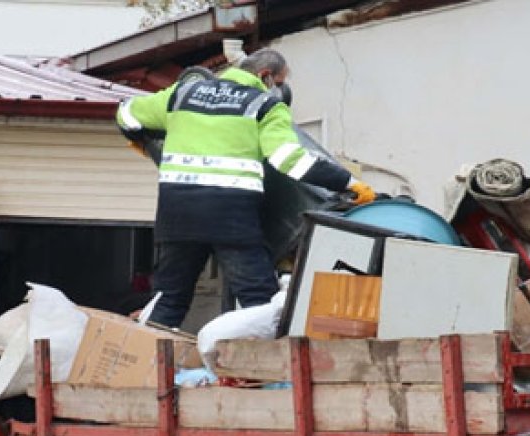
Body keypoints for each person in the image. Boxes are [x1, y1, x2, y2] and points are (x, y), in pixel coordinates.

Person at [116, 48, 376, 328]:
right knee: (259, 301)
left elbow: (127, 114)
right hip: (231, 218)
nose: (279, 91)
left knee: (168, 299)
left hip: (178, 214)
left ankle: (146, 364)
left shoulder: (183, 94)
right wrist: (349, 183)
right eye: (279, 83)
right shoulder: (264, 105)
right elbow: (289, 160)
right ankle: (268, 369)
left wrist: (143, 139)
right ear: (265, 76)